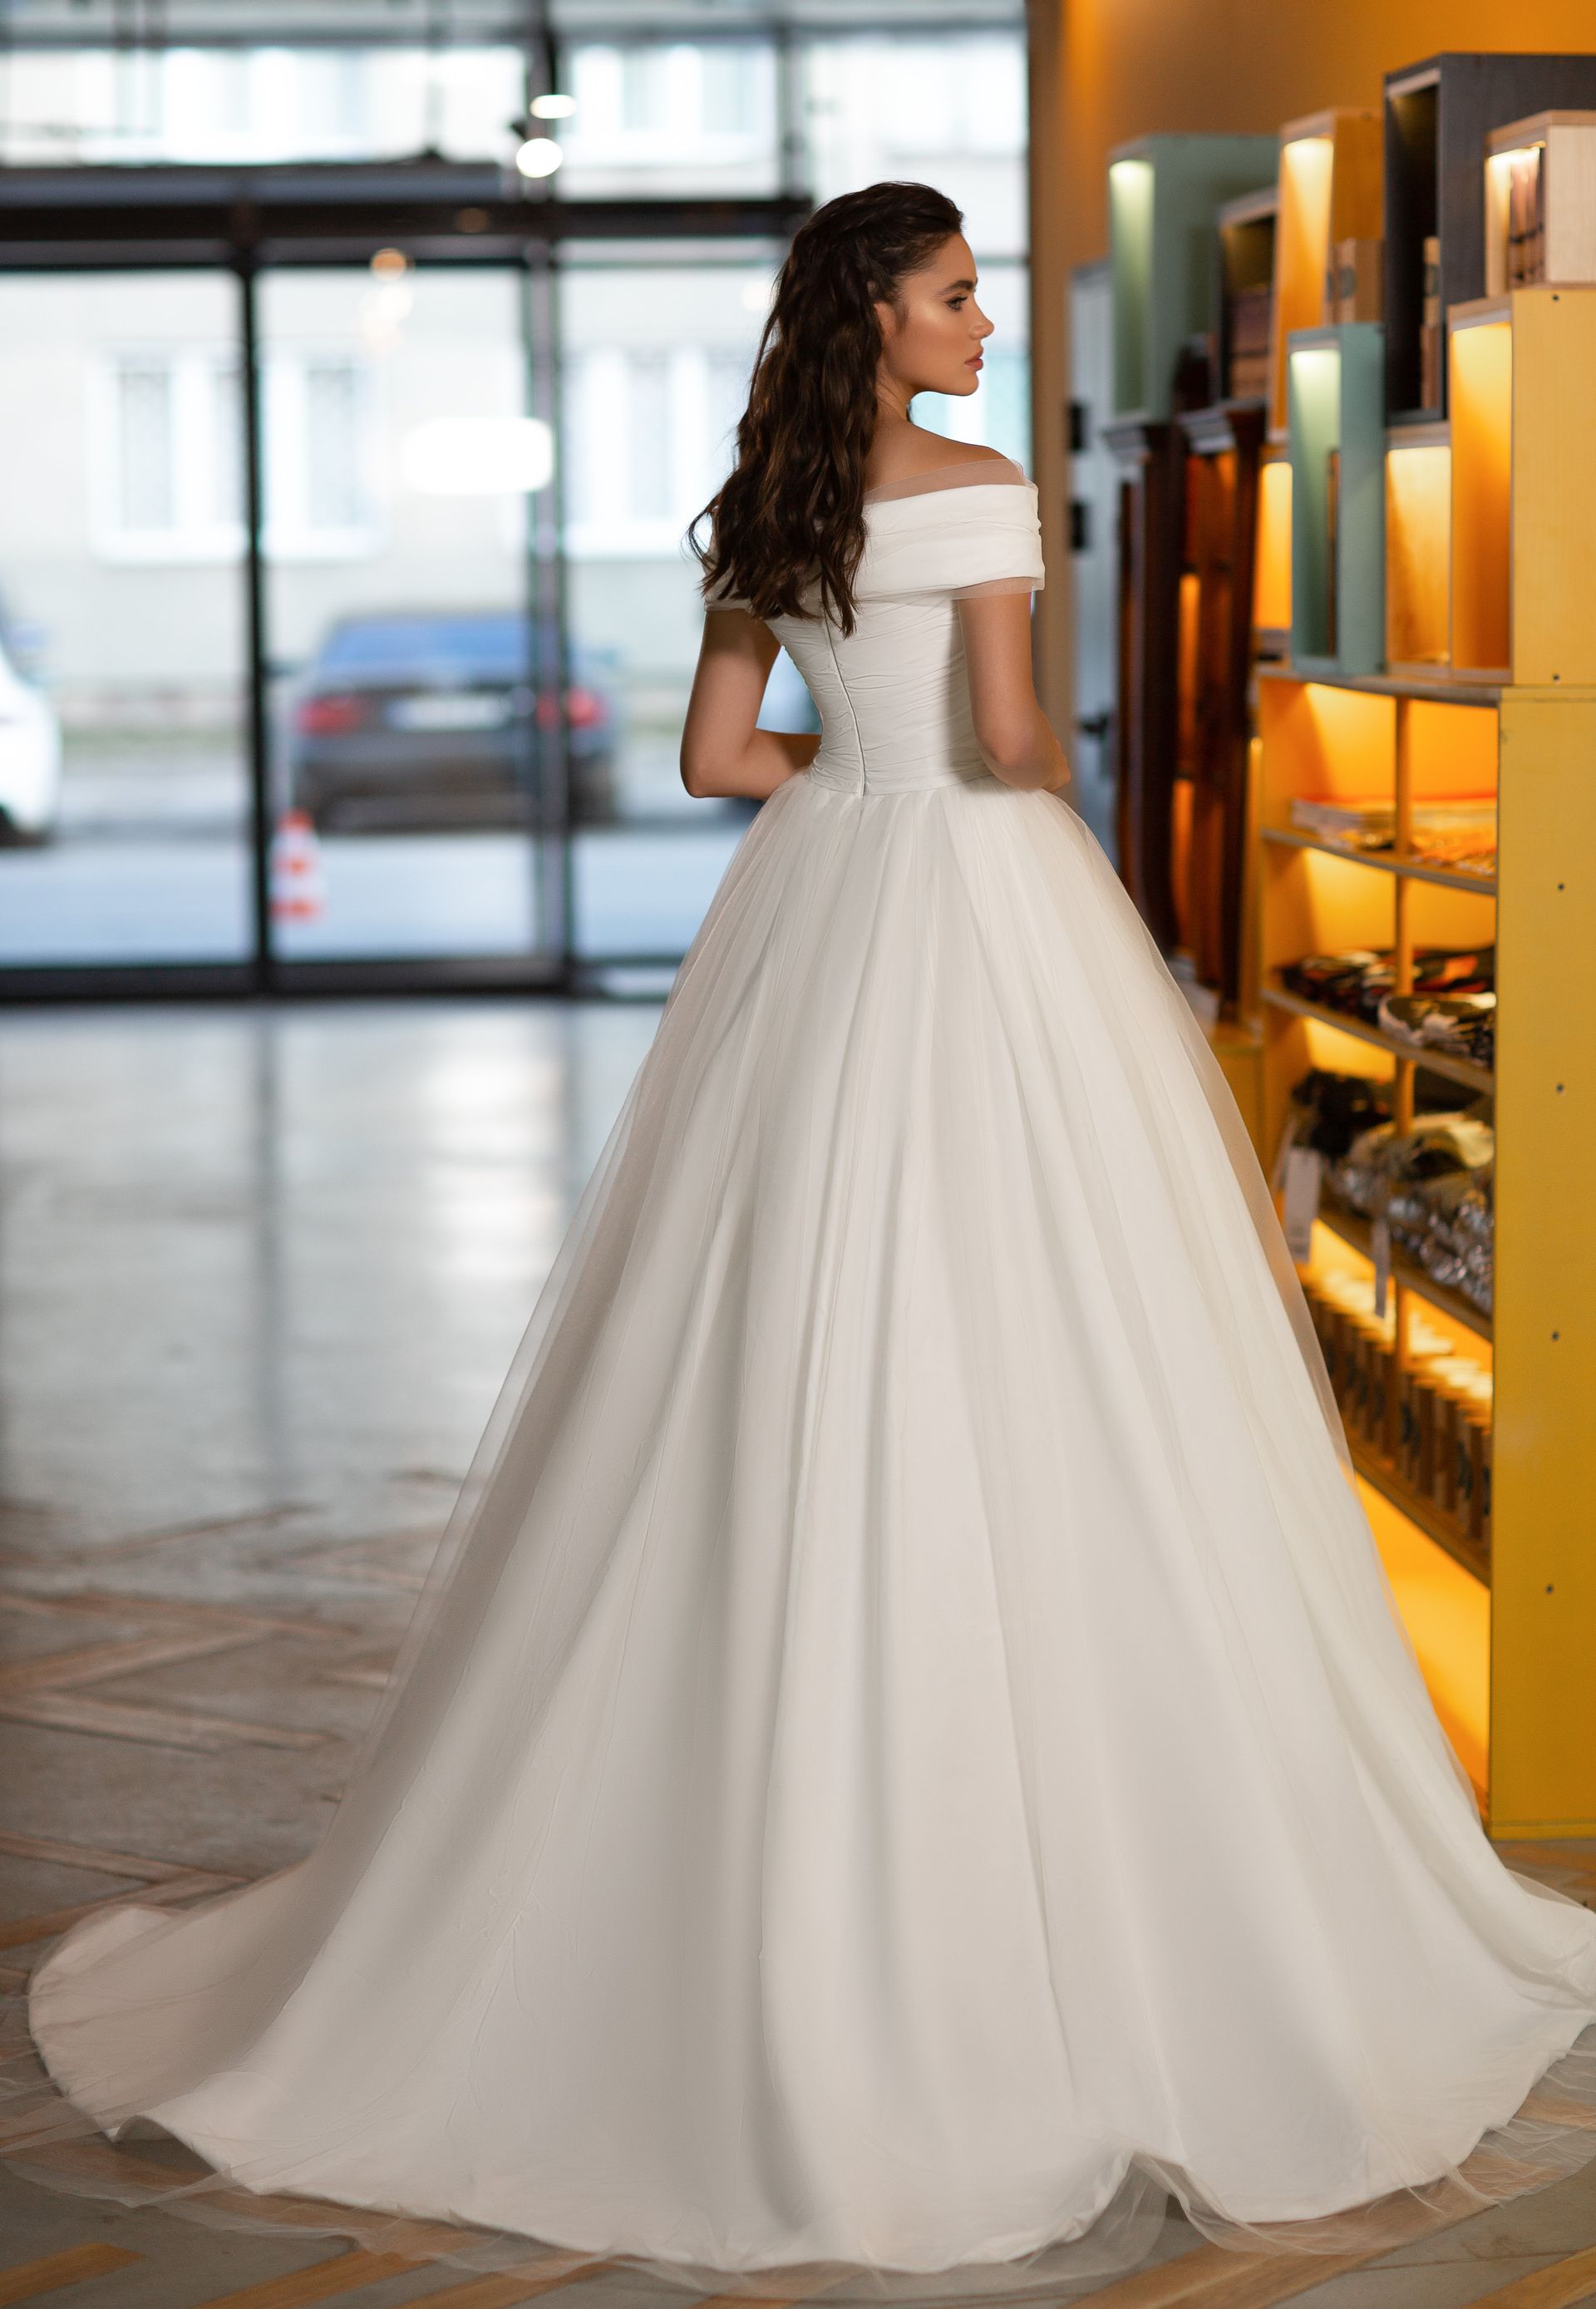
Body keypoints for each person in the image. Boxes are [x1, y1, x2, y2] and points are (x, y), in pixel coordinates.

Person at [9, 180, 1596, 2305]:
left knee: (775, 1320)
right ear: (883, 309)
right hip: (982, 905)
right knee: (1072, 1320)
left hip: (825, 915)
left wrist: (848, 781)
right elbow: (1016, 746)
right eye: (957, 296)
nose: (979, 326)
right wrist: (999, 799)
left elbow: (710, 756)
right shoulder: (983, 489)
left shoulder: (768, 504)